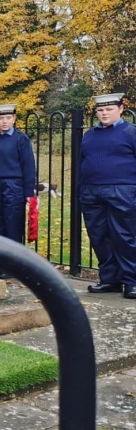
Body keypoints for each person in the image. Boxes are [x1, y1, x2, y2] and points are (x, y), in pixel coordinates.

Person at [79, 93, 136, 299]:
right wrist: (81, 190)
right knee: (99, 237)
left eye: (109, 109)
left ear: (121, 109)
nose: (104, 113)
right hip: (92, 191)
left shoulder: (131, 133)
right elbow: (82, 163)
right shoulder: (89, 135)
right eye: (100, 110)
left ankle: (132, 281)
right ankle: (110, 279)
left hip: (123, 190)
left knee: (124, 236)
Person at [0, 104, 36, 279]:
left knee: (13, 224)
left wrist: (28, 191)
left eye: (8, 118)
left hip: (14, 185)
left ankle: (14, 265)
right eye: (0, 119)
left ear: (13, 119)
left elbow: (28, 165)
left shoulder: (21, 139)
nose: (4, 122)